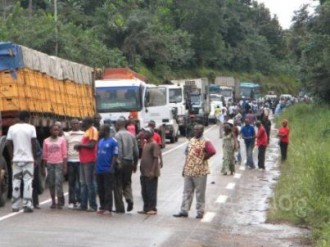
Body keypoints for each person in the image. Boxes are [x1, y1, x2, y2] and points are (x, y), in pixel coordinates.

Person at [173, 124, 216, 219]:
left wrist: (204, 158)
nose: (196, 131)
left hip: (200, 171)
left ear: (202, 131)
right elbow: (187, 155)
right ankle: (184, 210)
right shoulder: (191, 141)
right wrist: (184, 168)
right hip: (189, 170)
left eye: (198, 130)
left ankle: (200, 212)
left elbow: (212, 151)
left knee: (200, 193)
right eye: (195, 129)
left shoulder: (206, 141)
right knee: (187, 191)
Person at [6, 111, 37, 213]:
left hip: (16, 159)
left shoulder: (12, 128)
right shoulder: (31, 128)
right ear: (27, 118)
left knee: (16, 181)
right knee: (28, 182)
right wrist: (34, 157)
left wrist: (12, 157)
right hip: (28, 159)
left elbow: (8, 143)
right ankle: (27, 205)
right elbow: (33, 143)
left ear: (19, 118)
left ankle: (15, 205)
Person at [114, 117, 139, 213]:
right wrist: (135, 164)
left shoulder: (118, 135)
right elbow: (136, 152)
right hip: (129, 162)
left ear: (118, 125)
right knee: (127, 182)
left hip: (121, 162)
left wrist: (118, 162)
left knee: (118, 184)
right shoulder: (131, 135)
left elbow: (119, 150)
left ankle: (120, 208)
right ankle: (129, 198)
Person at [74, 117, 98, 212]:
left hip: (90, 160)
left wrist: (80, 145)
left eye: (84, 121)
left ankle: (93, 205)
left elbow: (92, 144)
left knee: (89, 183)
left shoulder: (93, 130)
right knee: (83, 184)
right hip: (83, 160)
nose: (82, 123)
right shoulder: (87, 131)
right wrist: (80, 147)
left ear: (89, 122)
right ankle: (83, 205)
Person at [42, 124, 68, 209]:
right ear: (50, 131)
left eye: (57, 130)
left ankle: (60, 201)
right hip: (50, 164)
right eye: (54, 130)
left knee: (58, 183)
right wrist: (43, 167)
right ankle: (53, 201)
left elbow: (64, 154)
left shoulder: (62, 140)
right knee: (51, 183)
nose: (56, 131)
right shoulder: (46, 141)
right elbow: (44, 155)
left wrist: (65, 166)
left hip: (59, 163)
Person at [138, 127, 162, 215]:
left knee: (151, 191)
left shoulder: (154, 144)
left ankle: (152, 208)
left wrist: (152, 171)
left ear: (151, 134)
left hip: (150, 172)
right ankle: (146, 207)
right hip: (144, 172)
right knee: (144, 191)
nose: (144, 134)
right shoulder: (146, 143)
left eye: (146, 132)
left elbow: (156, 158)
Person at [96, 124, 118, 215]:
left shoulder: (113, 141)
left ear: (106, 131)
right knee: (100, 189)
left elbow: (115, 155)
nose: (99, 132)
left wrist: (111, 167)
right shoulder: (100, 141)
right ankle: (102, 206)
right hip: (99, 169)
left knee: (108, 189)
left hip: (107, 169)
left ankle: (108, 208)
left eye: (101, 130)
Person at [65, 119, 84, 209]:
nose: (75, 125)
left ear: (79, 125)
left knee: (80, 182)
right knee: (71, 182)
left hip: (80, 160)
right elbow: (65, 146)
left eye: (76, 124)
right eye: (73, 124)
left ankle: (80, 200)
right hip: (70, 160)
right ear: (70, 125)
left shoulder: (83, 134)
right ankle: (71, 201)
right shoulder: (67, 135)